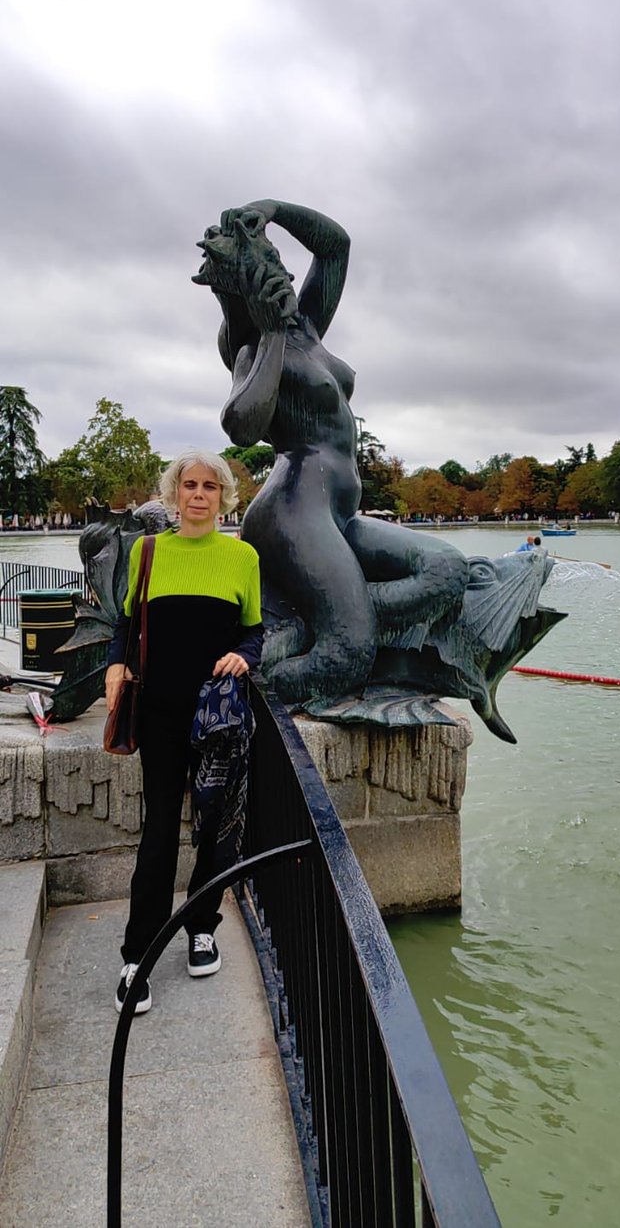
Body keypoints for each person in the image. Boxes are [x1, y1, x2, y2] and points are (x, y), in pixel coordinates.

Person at [193, 200, 469, 708]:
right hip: (293, 512)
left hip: (336, 511)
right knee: (345, 654)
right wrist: (272, 331)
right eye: (266, 268)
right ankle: (231, 689)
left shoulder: (311, 327)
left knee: (446, 571)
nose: (281, 271)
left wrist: (273, 208)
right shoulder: (252, 348)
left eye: (276, 259)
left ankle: (306, 620)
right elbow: (241, 427)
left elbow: (335, 246)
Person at [105, 451, 263, 1015]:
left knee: (217, 825)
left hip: (218, 716)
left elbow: (254, 631)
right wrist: (115, 665)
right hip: (162, 714)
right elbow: (127, 623)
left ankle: (202, 924)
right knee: (160, 831)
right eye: (189, 485)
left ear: (224, 496)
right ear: (175, 495)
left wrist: (244, 657)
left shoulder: (243, 557)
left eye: (210, 486)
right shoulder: (147, 552)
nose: (199, 494)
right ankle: (137, 953)